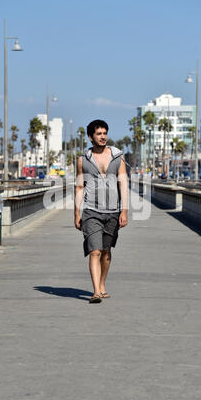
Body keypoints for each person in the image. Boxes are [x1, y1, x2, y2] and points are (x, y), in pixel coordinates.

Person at [74, 119, 128, 304]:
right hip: (91, 211)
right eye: (99, 134)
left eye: (105, 133)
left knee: (106, 252)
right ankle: (96, 291)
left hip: (113, 210)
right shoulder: (83, 160)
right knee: (95, 251)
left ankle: (102, 284)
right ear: (91, 137)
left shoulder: (117, 156)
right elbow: (79, 187)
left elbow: (124, 184)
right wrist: (76, 213)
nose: (103, 136)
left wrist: (125, 211)